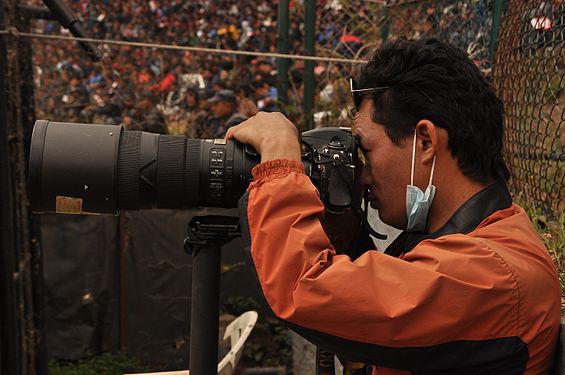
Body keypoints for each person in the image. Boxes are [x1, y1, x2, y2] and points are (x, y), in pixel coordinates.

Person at [226, 38, 561, 374]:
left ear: (426, 141)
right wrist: (346, 235)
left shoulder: (493, 275)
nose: (364, 176)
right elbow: (381, 311)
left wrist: (279, 160)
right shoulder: (473, 244)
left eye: (367, 152)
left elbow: (304, 290)